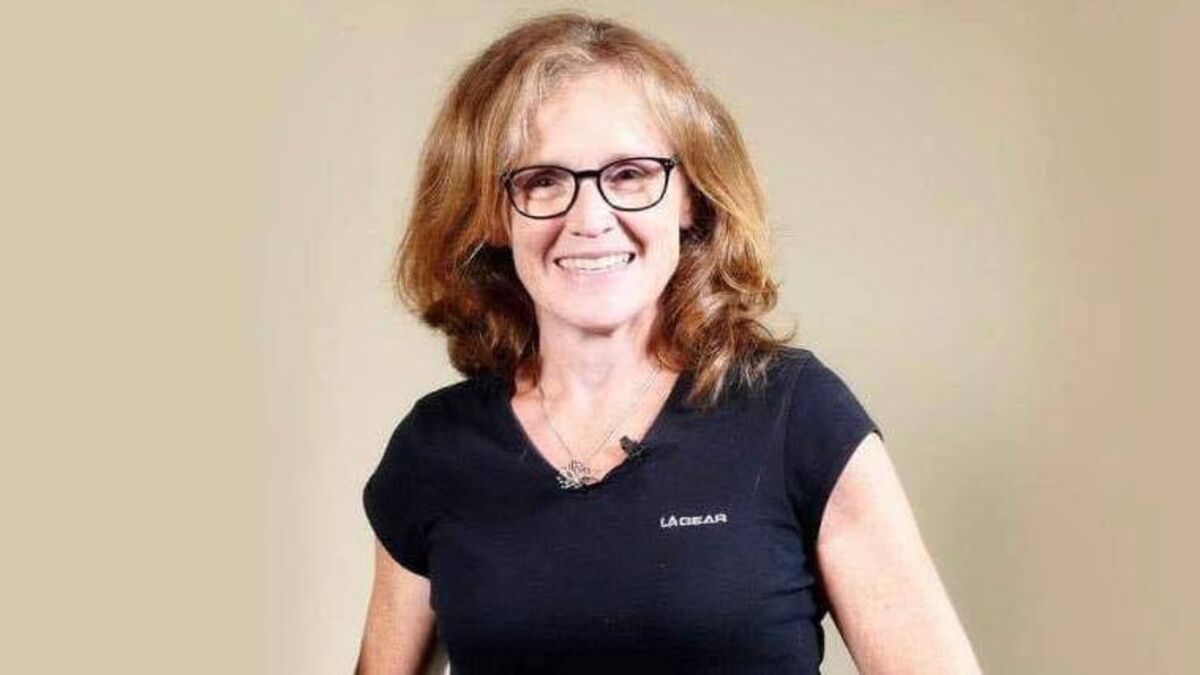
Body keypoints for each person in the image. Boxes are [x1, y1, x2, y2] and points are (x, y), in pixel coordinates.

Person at [356, 12, 981, 675]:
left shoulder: (797, 417)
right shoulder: (435, 450)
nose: (590, 219)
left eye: (629, 174)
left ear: (690, 197)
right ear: (491, 214)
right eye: (542, 180)